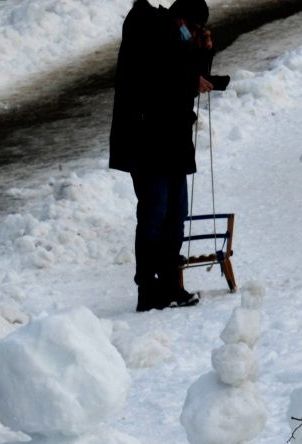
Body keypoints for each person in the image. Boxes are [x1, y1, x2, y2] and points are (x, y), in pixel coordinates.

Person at [109, 0, 225, 312]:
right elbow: (150, 78)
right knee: (154, 214)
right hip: (145, 141)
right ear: (180, 19)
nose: (193, 33)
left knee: (176, 214)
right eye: (194, 27)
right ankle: (148, 289)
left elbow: (189, 79)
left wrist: (204, 51)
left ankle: (172, 284)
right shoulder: (146, 30)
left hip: (172, 141)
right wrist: (190, 77)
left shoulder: (176, 39)